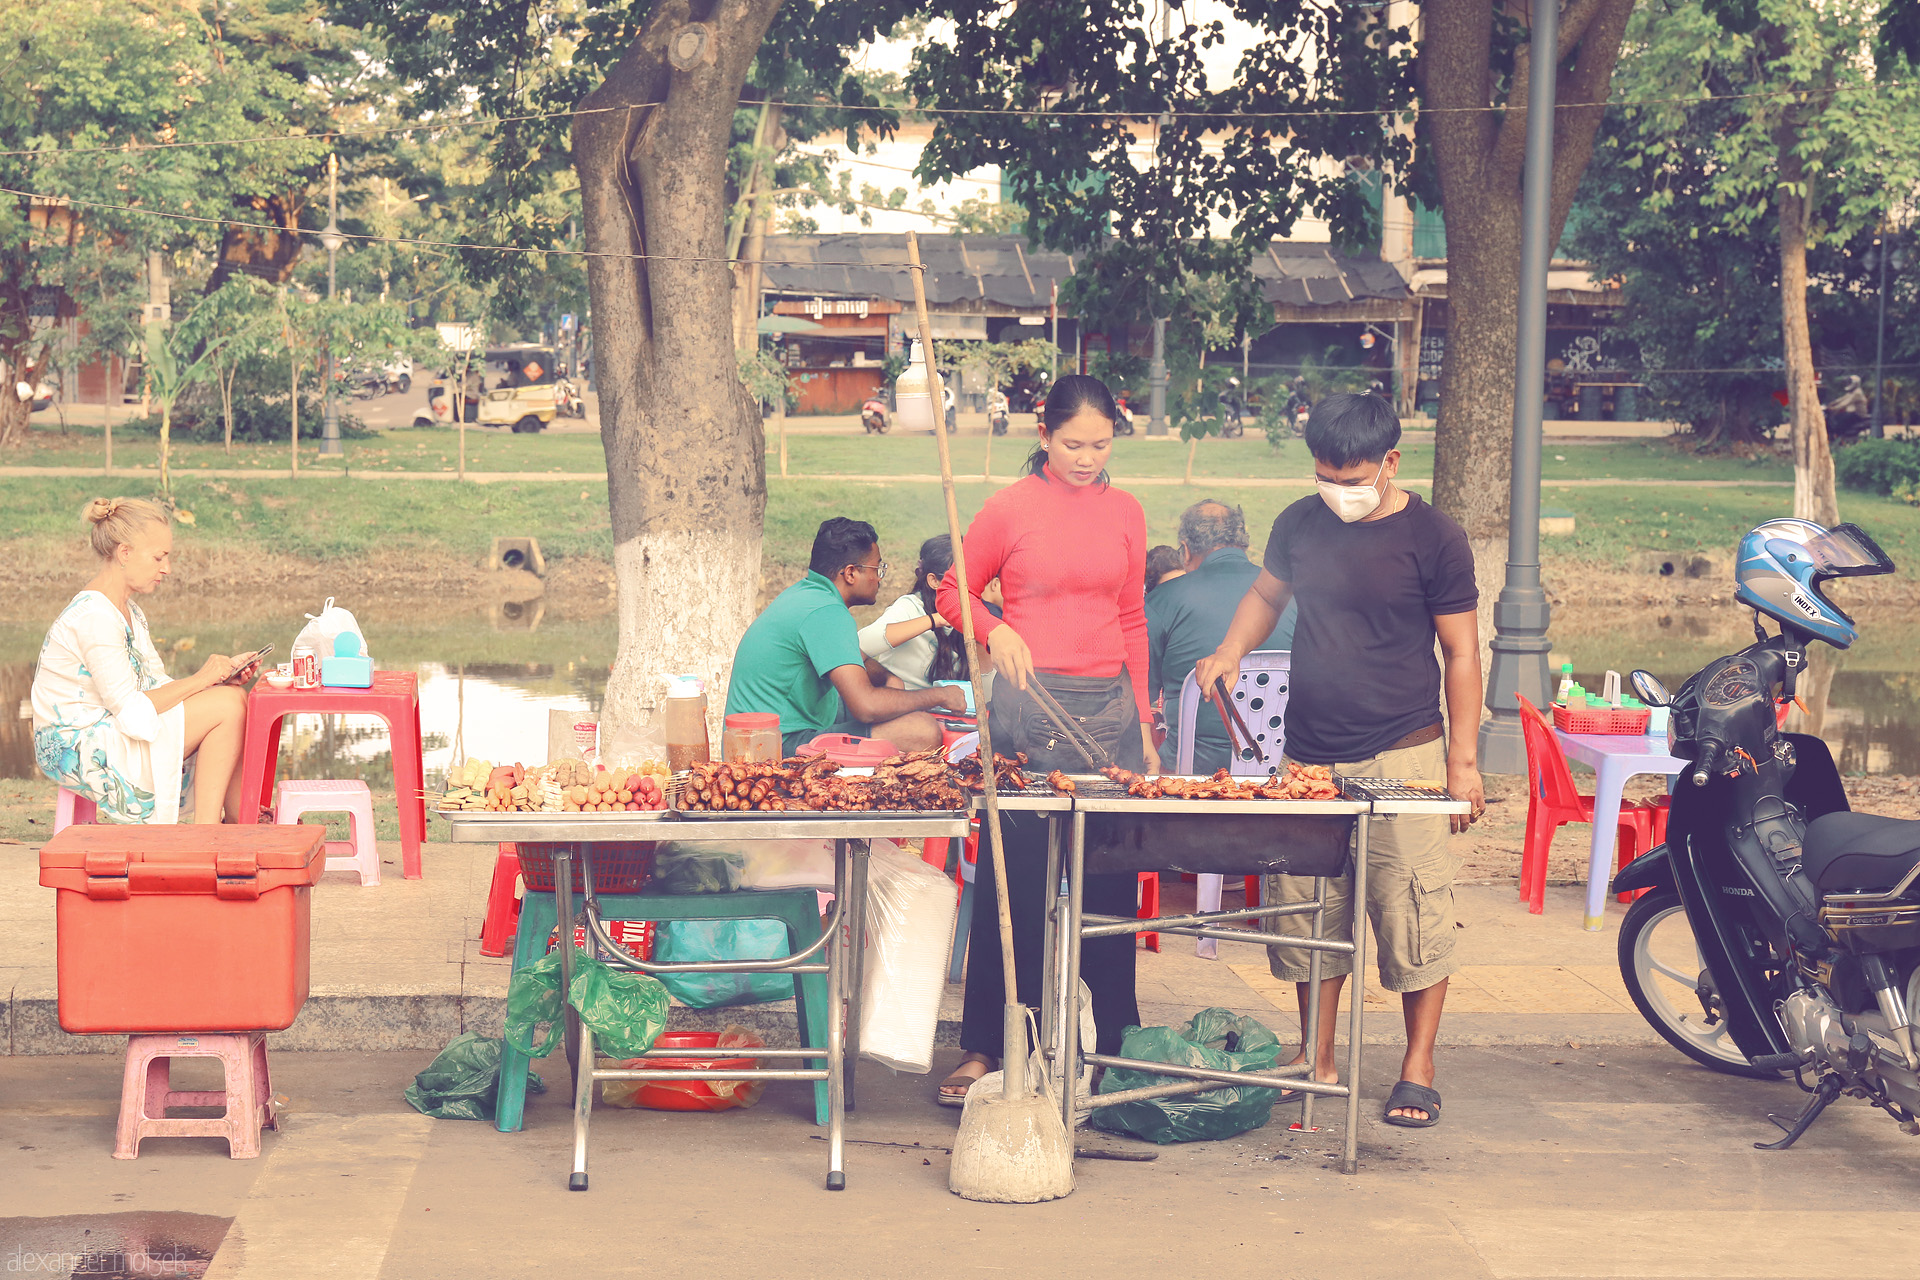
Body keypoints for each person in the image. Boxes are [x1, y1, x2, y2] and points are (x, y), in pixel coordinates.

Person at [1194, 392, 1484, 1129]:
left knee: (1412, 911)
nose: (1339, 493)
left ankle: (1417, 1067)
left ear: (1391, 461)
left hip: (1405, 752)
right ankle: (1315, 1056)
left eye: (1353, 480)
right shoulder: (1298, 523)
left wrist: (1465, 762)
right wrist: (1230, 649)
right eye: (1327, 476)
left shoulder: (1436, 538)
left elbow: (1460, 652)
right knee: (1305, 914)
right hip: (1309, 754)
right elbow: (1266, 595)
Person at [933, 374, 1156, 1105]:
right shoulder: (1010, 510)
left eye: (1100, 445)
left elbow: (1132, 621)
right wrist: (996, 629)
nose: (1087, 458)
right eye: (1073, 445)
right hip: (1027, 710)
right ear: (1042, 434)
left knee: (1109, 882)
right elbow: (950, 593)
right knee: (1014, 877)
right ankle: (988, 1046)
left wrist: (1147, 728)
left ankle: (1111, 1040)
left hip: (1110, 715)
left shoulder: (1126, 512)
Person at [31, 498, 260, 824]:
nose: (166, 568)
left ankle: (239, 823)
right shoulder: (96, 617)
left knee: (232, 698)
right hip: (78, 744)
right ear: (124, 553)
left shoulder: (129, 612)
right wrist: (202, 679)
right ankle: (208, 835)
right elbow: (133, 713)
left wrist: (217, 682)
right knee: (228, 706)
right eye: (158, 557)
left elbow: (156, 686)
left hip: (110, 725)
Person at [727, 517, 966, 755]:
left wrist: (888, 677)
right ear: (851, 573)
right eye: (877, 569)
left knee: (897, 710)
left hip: (773, 733)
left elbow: (854, 656)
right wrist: (940, 695)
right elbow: (866, 707)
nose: (879, 579)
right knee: (920, 730)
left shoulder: (808, 596)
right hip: (773, 748)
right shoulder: (826, 613)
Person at [1147, 500, 1296, 774]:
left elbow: (1143, 696)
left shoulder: (1162, 601)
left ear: (1186, 550)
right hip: (1281, 767)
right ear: (1244, 544)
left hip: (1190, 769)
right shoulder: (1293, 595)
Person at [857, 534, 970, 691]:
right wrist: (934, 620)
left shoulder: (973, 615)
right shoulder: (910, 607)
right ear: (934, 581)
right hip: (902, 706)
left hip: (945, 711)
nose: (971, 584)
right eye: (964, 577)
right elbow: (860, 645)